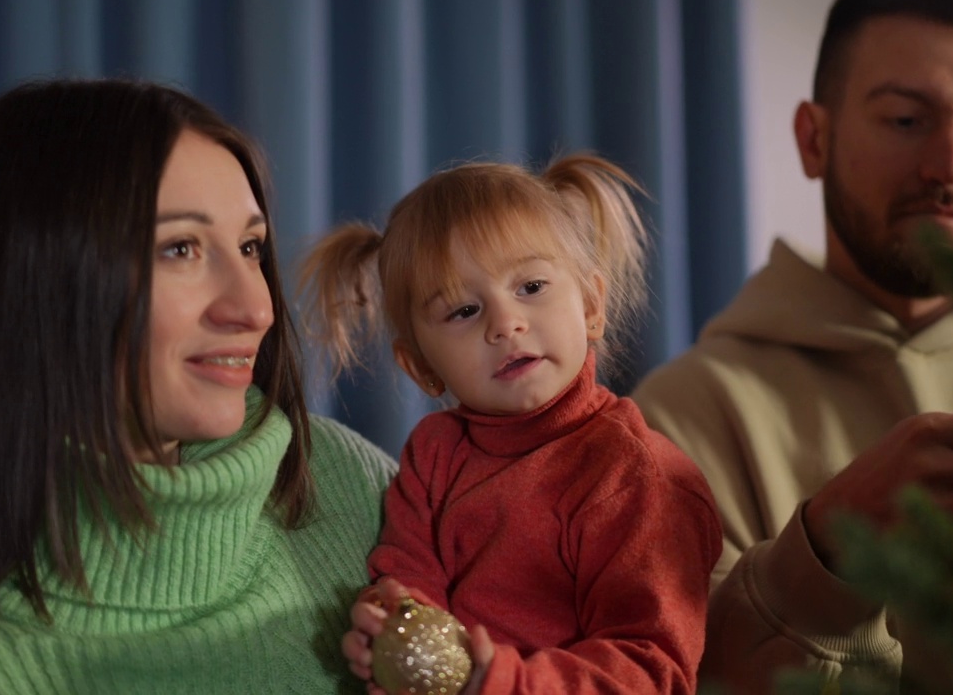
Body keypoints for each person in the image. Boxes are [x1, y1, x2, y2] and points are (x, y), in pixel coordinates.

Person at [631, 0, 953, 692]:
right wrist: (823, 555)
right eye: (907, 120)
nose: (952, 168)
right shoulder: (684, 418)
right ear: (815, 139)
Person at [0, 78, 396, 694]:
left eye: (251, 246)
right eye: (180, 249)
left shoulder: (348, 479)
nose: (256, 307)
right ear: (46, 285)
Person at [297, 154, 723, 693]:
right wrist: (391, 622)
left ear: (592, 304)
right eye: (464, 312)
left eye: (531, 287)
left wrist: (497, 681)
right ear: (421, 367)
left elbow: (650, 670)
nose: (505, 324)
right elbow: (409, 575)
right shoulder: (435, 452)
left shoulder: (636, 475)